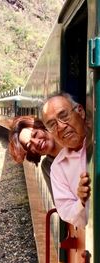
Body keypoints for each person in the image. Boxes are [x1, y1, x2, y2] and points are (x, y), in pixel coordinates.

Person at [41, 92, 91, 228]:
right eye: (52, 124)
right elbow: (68, 214)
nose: (61, 126)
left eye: (64, 116)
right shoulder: (57, 168)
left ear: (80, 112)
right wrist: (81, 201)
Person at [8, 116, 63, 201]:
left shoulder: (72, 138)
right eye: (29, 145)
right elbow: (61, 206)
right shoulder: (47, 167)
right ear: (31, 153)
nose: (36, 142)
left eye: (35, 134)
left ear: (41, 127)